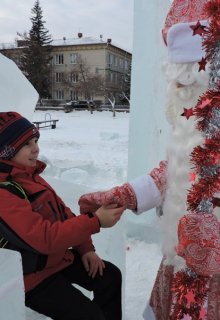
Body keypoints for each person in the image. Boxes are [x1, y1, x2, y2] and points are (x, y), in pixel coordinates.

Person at [79, 0, 220, 318]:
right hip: (184, 264)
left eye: (190, 81)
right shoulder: (194, 128)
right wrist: (123, 194)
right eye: (178, 83)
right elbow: (175, 168)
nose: (182, 90)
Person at [0, 111, 124, 320]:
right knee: (89, 316)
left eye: (35, 140)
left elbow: (64, 214)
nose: (36, 148)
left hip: (56, 260)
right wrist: (96, 221)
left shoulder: (29, 175)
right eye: (26, 144)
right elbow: (44, 238)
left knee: (109, 276)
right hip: (31, 279)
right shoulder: (3, 192)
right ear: (5, 150)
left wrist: (86, 250)